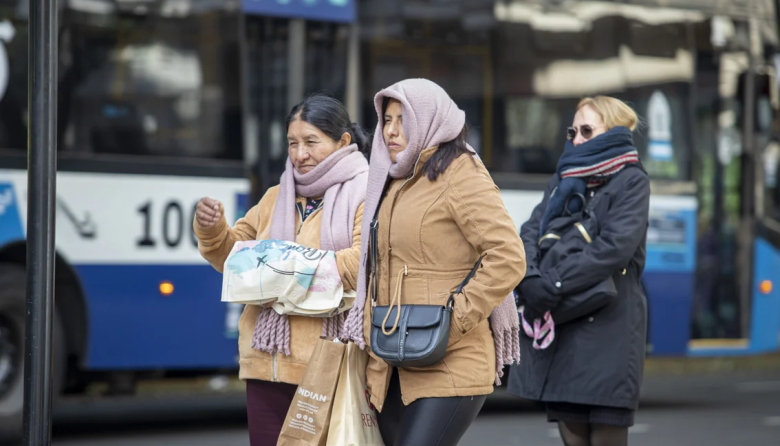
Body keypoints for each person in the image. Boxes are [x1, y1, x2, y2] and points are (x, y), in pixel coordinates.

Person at [340, 78, 526, 446]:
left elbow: (508, 255)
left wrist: (454, 318)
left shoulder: (460, 171)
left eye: (402, 120)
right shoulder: (391, 180)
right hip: (392, 359)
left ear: (427, 119)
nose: (391, 131)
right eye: (386, 120)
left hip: (450, 358)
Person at [193, 95, 369, 446]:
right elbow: (235, 259)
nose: (299, 154)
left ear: (343, 142)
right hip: (263, 365)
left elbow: (359, 264)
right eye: (292, 143)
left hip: (327, 366)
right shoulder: (276, 196)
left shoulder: (366, 193)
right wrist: (212, 229)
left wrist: (282, 267)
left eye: (310, 142)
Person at [507, 96, 650, 446]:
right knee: (571, 436)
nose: (577, 139)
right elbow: (530, 229)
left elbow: (614, 248)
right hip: (565, 325)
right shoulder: (563, 176)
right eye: (574, 131)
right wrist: (530, 278)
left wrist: (553, 282)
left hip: (609, 328)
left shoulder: (632, 180)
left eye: (587, 130)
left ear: (614, 132)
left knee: (604, 436)